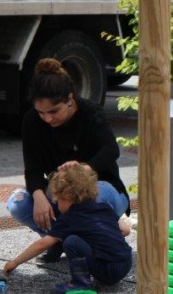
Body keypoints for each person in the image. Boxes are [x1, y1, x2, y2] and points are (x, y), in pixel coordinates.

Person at [7, 58, 130, 262]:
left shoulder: (90, 112)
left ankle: (90, 243)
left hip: (103, 190)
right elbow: (33, 168)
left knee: (89, 200)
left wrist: (85, 168)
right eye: (41, 113)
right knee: (18, 203)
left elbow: (111, 150)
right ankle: (56, 240)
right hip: (61, 196)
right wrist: (38, 197)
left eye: (54, 111)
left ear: (70, 100)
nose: (48, 119)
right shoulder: (31, 121)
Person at [4, 164, 132, 294]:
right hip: (126, 263)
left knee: (71, 241)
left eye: (57, 201)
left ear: (67, 197)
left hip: (109, 271)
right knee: (84, 238)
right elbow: (125, 230)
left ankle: (80, 283)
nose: (57, 205)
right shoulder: (102, 206)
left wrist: (15, 262)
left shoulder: (71, 218)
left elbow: (42, 244)